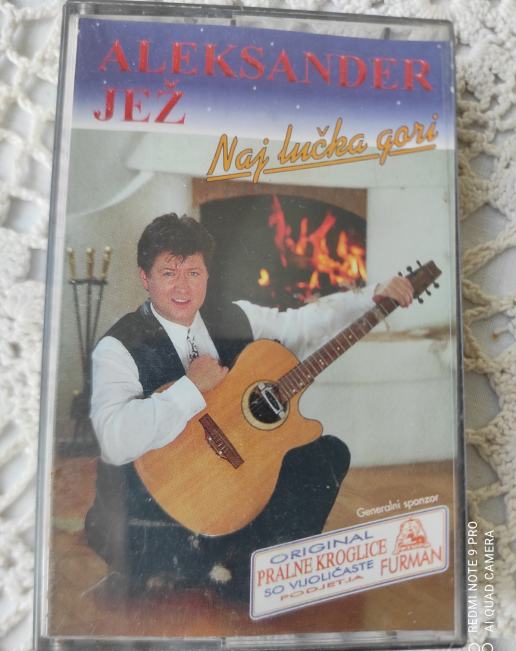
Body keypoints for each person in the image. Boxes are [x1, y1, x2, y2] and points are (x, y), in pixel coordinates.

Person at [86, 213, 413, 600]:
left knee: (326, 454)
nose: (183, 287)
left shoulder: (234, 316)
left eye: (194, 273)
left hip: (228, 493)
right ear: (146, 278)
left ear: (207, 276)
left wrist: (370, 296)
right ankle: (202, 565)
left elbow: (303, 323)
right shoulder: (119, 346)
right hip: (159, 512)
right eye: (169, 273)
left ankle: (245, 574)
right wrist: (190, 388)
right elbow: (113, 440)